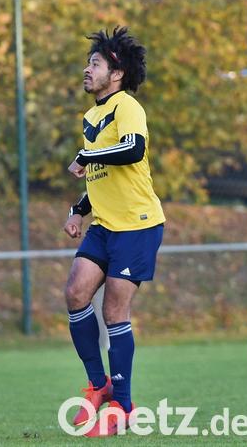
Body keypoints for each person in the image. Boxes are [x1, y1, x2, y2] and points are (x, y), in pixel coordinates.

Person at [62, 26, 164, 437]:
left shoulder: (127, 106)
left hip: (138, 226)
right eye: (89, 63)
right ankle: (98, 383)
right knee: (75, 293)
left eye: (96, 63)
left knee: (113, 312)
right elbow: (102, 173)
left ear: (116, 73)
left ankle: (123, 408)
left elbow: (133, 150)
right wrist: (78, 210)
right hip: (104, 226)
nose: (88, 70)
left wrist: (86, 154)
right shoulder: (91, 116)